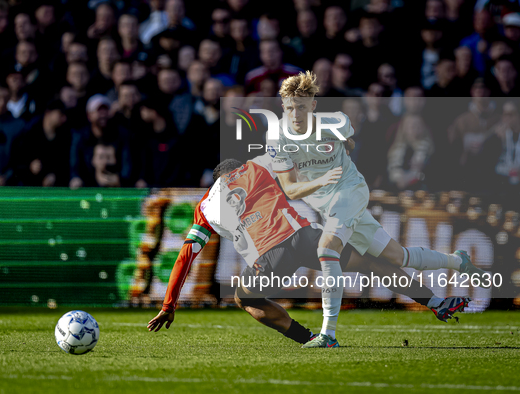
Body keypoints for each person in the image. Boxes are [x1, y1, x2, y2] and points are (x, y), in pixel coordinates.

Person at [147, 155, 471, 345]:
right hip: (303, 236)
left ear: (216, 180)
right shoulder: (258, 165)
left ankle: (307, 338)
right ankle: (436, 302)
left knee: (244, 298)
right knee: (373, 263)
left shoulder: (206, 205)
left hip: (268, 258)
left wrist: (169, 304)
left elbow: (185, 255)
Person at [267, 71, 487, 347]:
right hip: (327, 203)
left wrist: (342, 150)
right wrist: (323, 178)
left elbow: (350, 141)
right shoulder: (276, 137)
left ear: (313, 105)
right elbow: (289, 189)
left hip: (350, 192)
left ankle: (328, 335)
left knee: (326, 249)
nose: (295, 113)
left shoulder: (336, 122)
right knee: (398, 256)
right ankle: (458, 261)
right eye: (289, 107)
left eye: (301, 106)